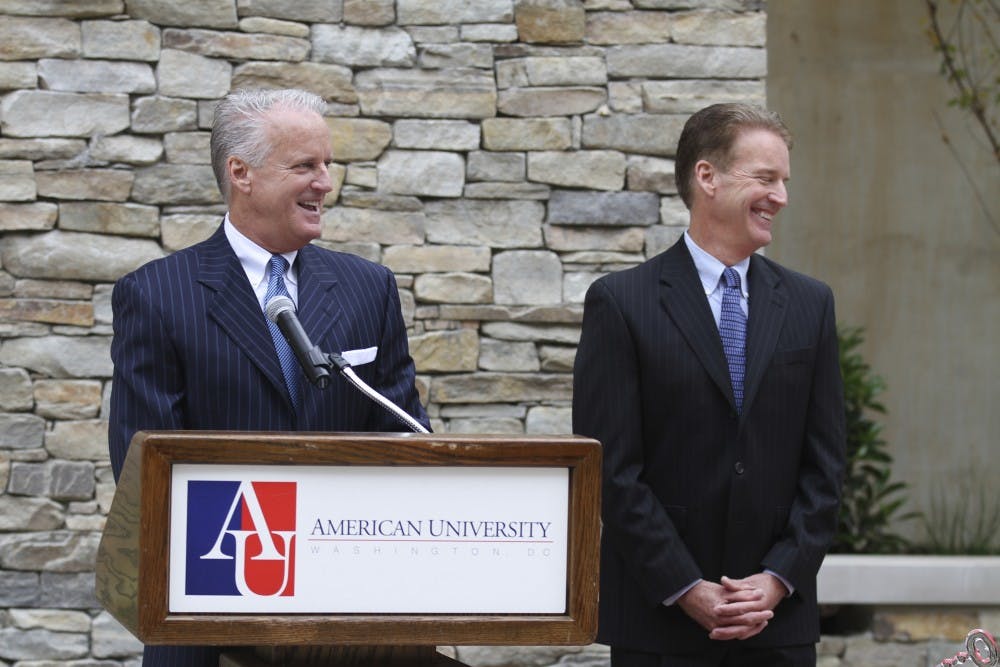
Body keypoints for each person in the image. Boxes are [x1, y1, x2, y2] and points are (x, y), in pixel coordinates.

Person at [108, 88, 429, 666]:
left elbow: (406, 440)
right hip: (207, 628)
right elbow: (144, 475)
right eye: (304, 165)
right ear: (241, 173)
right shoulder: (156, 295)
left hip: (349, 628)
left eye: (327, 164)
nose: (325, 182)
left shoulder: (368, 288)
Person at [573, 103, 846, 667]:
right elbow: (612, 472)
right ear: (707, 177)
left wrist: (775, 580)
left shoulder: (810, 305)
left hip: (776, 627)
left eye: (784, 181)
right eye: (766, 178)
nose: (782, 197)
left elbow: (825, 469)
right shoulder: (621, 303)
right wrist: (687, 588)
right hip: (660, 627)